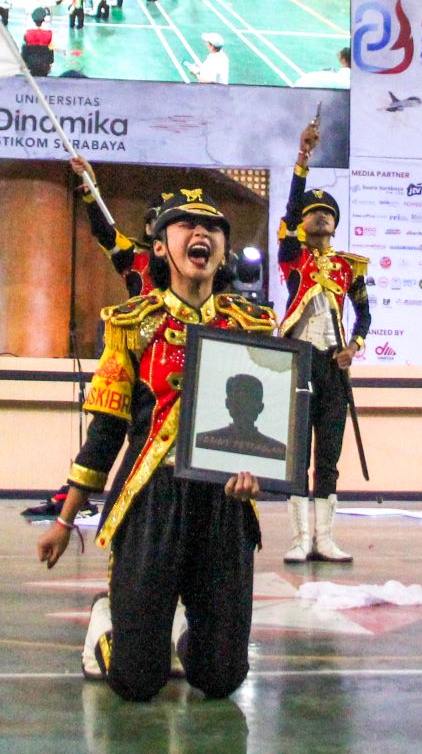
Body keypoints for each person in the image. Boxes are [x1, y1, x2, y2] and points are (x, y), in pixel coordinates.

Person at [37, 190, 275, 702]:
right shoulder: (131, 326)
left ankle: (198, 641)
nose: (200, 234)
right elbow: (103, 434)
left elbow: (269, 424)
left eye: (212, 228)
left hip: (225, 501)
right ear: (161, 248)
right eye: (184, 225)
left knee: (221, 680)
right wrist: (64, 520)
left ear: (223, 249)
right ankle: (111, 627)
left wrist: (258, 470)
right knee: (136, 683)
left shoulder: (250, 326)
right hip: (151, 498)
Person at [276, 120, 370, 564]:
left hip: (333, 364)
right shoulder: (291, 255)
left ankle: (325, 538)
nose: (320, 216)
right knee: (296, 451)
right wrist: (302, 160)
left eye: (328, 213)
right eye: (313, 212)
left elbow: (365, 314)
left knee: (327, 453)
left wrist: (355, 346)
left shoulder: (349, 267)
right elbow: (292, 210)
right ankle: (299, 538)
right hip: (297, 358)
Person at [72, 158, 163, 297]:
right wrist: (90, 185)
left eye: (174, 223)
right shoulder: (134, 256)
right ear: (148, 229)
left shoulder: (195, 261)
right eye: (161, 221)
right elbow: (103, 231)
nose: (167, 229)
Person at [195, 374, 288, 460]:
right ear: (227, 403)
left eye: (249, 398)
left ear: (260, 407)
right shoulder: (202, 441)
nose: (243, 404)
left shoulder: (279, 451)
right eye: (238, 398)